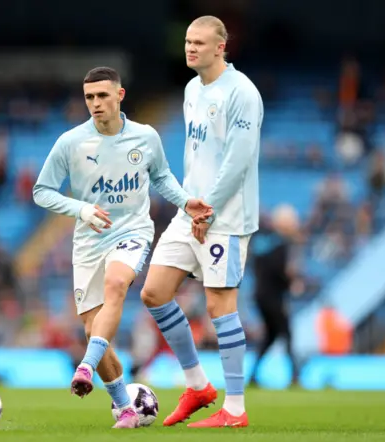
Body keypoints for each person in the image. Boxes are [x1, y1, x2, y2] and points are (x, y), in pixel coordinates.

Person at [32, 67, 212, 429]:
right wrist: (81, 209)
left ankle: (84, 365)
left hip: (131, 232)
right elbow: (42, 191)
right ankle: (125, 408)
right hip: (87, 241)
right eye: (89, 97)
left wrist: (185, 202)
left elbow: (161, 177)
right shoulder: (71, 142)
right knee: (91, 329)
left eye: (102, 96)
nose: (95, 104)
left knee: (117, 285)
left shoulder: (145, 137)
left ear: (120, 95)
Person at [140, 15, 263, 428]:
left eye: (199, 42)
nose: (190, 48)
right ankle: (197, 385)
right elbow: (199, 156)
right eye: (187, 41)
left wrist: (208, 208)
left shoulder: (243, 92)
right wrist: (192, 205)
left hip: (225, 218)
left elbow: (239, 160)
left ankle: (235, 409)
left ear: (220, 47)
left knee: (218, 305)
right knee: (155, 292)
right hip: (191, 211)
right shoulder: (192, 89)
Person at [249, 204, 303, 387]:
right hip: (274, 297)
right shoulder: (281, 244)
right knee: (286, 333)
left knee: (271, 336)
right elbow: (281, 271)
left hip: (260, 295)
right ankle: (295, 375)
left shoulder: (262, 241)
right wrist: (292, 283)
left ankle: (253, 375)